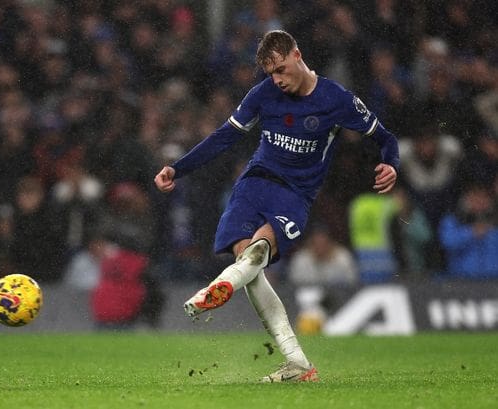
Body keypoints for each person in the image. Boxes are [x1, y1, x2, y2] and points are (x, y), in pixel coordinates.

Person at [154, 30, 399, 383]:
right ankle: (297, 363)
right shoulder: (262, 95)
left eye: (282, 69)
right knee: (249, 263)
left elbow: (385, 138)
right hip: (255, 183)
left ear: (297, 55)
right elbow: (224, 137)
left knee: (255, 256)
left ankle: (217, 288)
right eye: (272, 74)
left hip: (296, 193)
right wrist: (178, 168)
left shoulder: (336, 99)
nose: (278, 80)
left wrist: (391, 162)